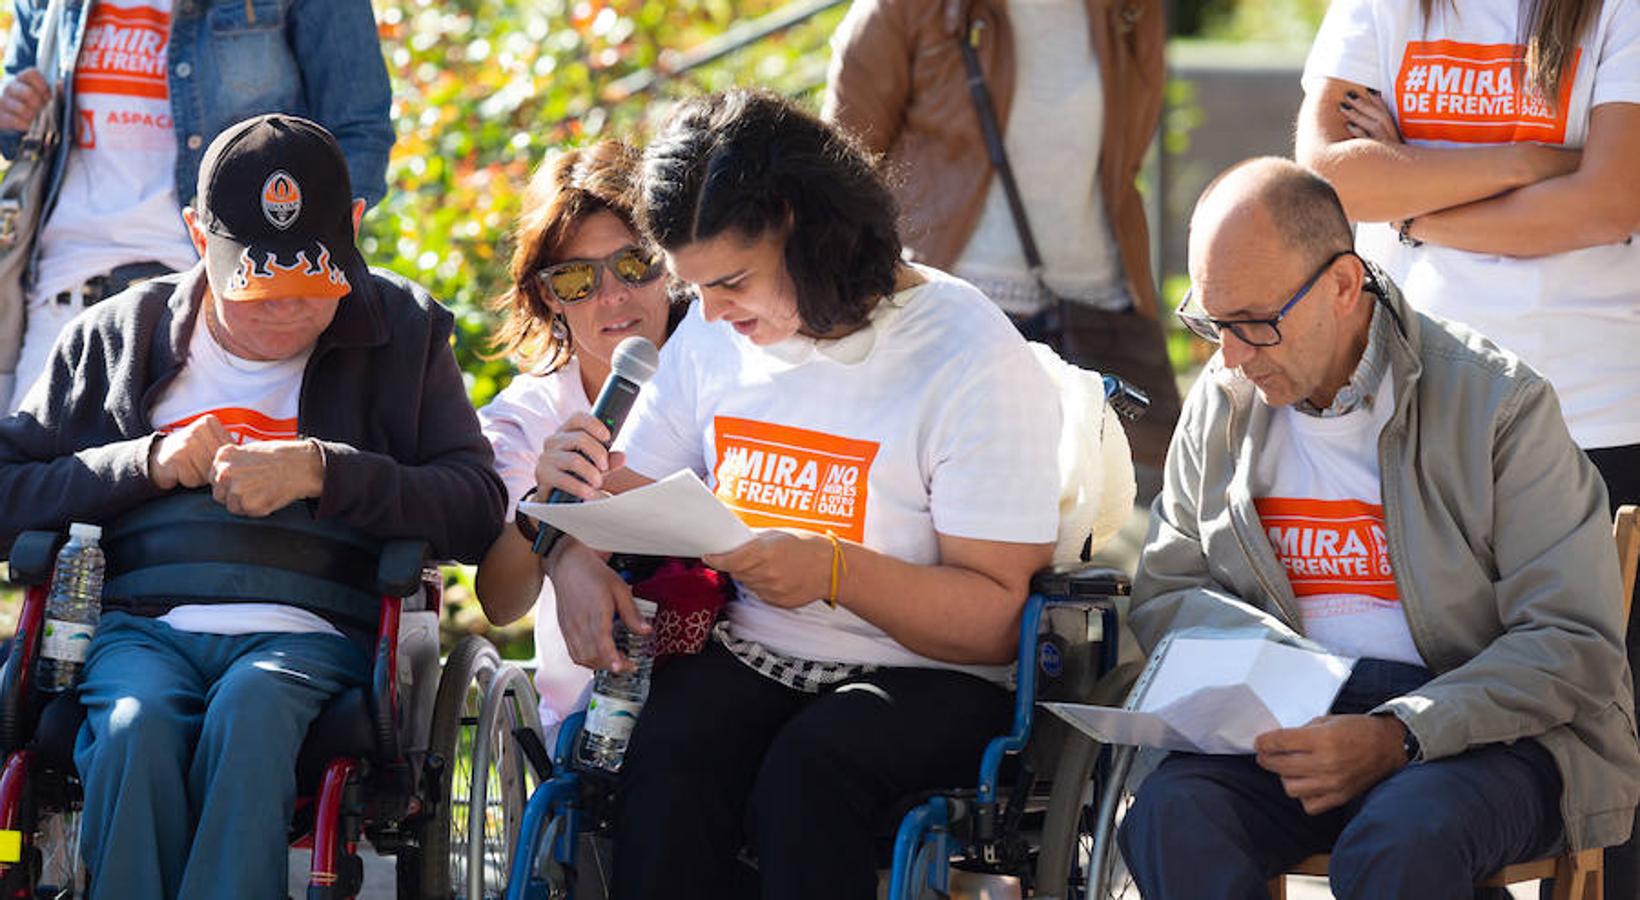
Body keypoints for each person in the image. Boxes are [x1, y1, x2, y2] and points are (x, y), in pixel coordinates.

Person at [537, 89, 1061, 899]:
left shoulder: (967, 353)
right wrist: (575, 549)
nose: (707, 313)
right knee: (669, 759)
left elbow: (997, 620)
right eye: (694, 286)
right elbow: (635, 489)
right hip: (756, 649)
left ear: (805, 228)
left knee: (809, 773)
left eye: (733, 281)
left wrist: (836, 573)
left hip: (931, 676)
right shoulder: (715, 333)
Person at [0, 114, 503, 899]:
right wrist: (147, 462)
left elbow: (475, 507)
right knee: (135, 726)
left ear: (355, 227)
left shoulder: (403, 330)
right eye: (259, 288)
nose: (287, 311)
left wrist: (322, 472)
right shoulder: (114, 339)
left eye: (313, 285)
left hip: (311, 631)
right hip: (143, 624)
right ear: (200, 237)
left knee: (253, 707)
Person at [1117, 157, 1639, 899]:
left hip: (1481, 731)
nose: (1229, 357)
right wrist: (1285, 688)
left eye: (1255, 324)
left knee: (1402, 841)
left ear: (1341, 285)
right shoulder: (1224, 403)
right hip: (1291, 727)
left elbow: (1574, 642)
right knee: (1170, 816)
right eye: (1211, 323)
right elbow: (1167, 592)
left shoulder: (1498, 406)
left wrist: (1399, 733)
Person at [1295, 2, 1640, 883]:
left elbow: (1609, 202)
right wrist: (1537, 161)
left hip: (1597, 423)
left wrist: (1415, 200)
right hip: (1419, 417)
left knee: (1612, 733)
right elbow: (1327, 182)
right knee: (1437, 718)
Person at [821, 0, 1180, 495]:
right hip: (951, 316)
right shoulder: (904, 11)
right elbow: (841, 172)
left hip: (1097, 308)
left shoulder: (1127, 10)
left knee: (1101, 523)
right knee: (969, 516)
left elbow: (1128, 153)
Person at [0, 0, 393, 413]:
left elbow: (360, 131)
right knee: (32, 475)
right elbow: (18, 126)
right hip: (63, 300)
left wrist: (295, 274)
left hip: (226, 312)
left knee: (222, 476)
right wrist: (13, 114)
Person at [473, 139, 684, 732]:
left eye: (634, 263)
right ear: (546, 295)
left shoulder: (723, 368)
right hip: (582, 718)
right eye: (575, 280)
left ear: (670, 261)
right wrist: (548, 527)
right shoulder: (527, 416)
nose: (612, 295)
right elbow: (501, 601)